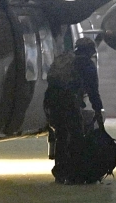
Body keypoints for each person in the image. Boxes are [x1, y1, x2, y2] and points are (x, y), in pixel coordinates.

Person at [44, 37, 104, 184]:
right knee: (77, 136)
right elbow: (93, 91)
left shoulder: (65, 59)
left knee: (61, 136)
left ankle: (60, 171)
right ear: (90, 50)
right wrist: (98, 110)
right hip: (68, 102)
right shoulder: (86, 64)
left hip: (51, 101)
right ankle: (75, 173)